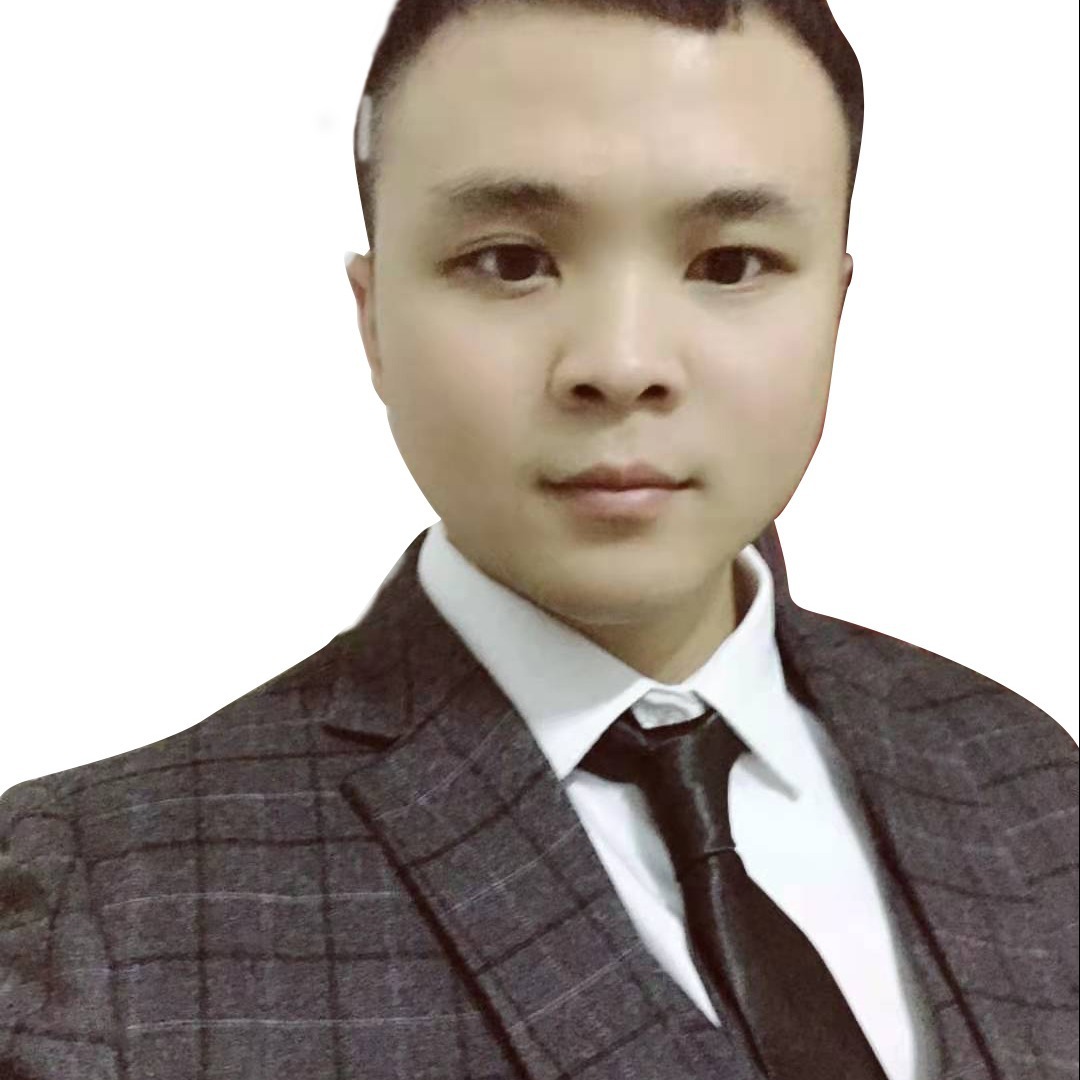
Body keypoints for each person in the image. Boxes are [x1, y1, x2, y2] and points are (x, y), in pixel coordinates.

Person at [1, 1, 1076, 1078]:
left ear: (836, 305)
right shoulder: (97, 908)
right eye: (512, 261)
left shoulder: (1028, 777)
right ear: (372, 318)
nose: (621, 362)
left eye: (730, 264)